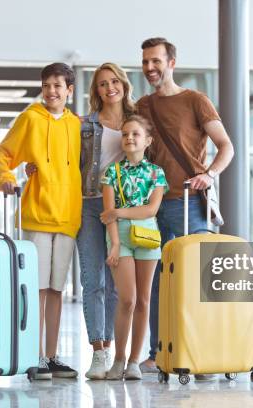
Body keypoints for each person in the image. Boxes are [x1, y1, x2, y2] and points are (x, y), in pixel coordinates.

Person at [26, 63, 136, 380]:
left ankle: (116, 351)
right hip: (87, 204)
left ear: (124, 85)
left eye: (114, 81)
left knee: (118, 284)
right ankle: (98, 351)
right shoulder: (82, 124)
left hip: (123, 209)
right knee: (93, 280)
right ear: (95, 90)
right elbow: (56, 150)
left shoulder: (136, 122)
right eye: (102, 84)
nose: (109, 88)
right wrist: (34, 165)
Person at [135, 37, 235, 379]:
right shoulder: (143, 106)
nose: (150, 67)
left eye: (156, 61)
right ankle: (158, 352)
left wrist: (210, 174)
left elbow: (226, 146)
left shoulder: (195, 101)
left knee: (196, 280)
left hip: (189, 203)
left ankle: (203, 353)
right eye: (146, 61)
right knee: (159, 281)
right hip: (153, 205)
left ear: (172, 62)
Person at [0, 62, 81, 380]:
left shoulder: (76, 125)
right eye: (46, 85)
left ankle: (52, 356)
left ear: (69, 90)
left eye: (58, 86)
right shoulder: (30, 118)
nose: (51, 91)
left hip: (69, 217)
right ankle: (35, 356)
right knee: (39, 288)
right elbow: (2, 152)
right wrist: (6, 176)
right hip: (38, 215)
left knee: (57, 288)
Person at [99, 114, 168, 380]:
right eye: (125, 134)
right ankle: (118, 358)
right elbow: (107, 215)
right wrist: (115, 243)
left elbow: (152, 209)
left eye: (135, 134)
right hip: (120, 239)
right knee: (126, 299)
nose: (129, 138)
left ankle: (134, 362)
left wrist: (120, 211)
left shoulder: (156, 173)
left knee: (144, 300)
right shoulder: (111, 173)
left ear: (147, 141)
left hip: (148, 237)